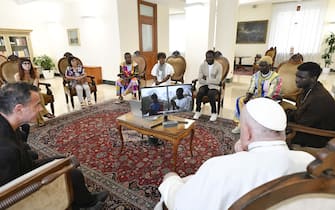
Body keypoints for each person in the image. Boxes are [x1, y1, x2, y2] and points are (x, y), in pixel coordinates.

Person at [155, 98, 314, 210]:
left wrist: (170, 181)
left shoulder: (219, 168)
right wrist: (242, 152)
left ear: (248, 133)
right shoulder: (309, 161)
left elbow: (183, 205)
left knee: (173, 183)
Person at [0, 82, 108, 210]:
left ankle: (85, 201)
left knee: (64, 161)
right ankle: (83, 204)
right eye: (37, 105)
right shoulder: (6, 151)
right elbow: (11, 195)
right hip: (21, 186)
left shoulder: (9, 121)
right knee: (72, 173)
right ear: (19, 109)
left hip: (23, 166)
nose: (41, 109)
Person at [287, 62, 335, 148]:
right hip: (307, 126)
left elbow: (302, 123)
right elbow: (301, 113)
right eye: (297, 76)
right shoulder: (310, 88)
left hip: (317, 136)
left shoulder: (319, 98)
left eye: (301, 77)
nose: (297, 79)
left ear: (313, 78)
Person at [232, 55, 282, 133]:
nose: (260, 68)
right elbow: (252, 87)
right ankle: (241, 125)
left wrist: (261, 101)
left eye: (263, 66)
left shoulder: (275, 77)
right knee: (241, 100)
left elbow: (271, 92)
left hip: (271, 99)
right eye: (260, 65)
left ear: (269, 66)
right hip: (257, 96)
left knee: (260, 106)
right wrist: (248, 97)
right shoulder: (256, 75)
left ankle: (258, 128)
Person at [14, 58, 55, 127]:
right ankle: (45, 113)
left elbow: (35, 85)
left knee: (36, 95)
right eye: (25, 64)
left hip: (33, 92)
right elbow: (21, 88)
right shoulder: (17, 76)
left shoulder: (35, 73)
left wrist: (33, 91)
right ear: (21, 65)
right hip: (22, 93)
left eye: (28, 63)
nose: (27, 65)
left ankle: (41, 119)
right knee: (35, 95)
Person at [193, 50, 223, 122]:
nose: (208, 59)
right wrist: (210, 80)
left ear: (214, 57)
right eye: (207, 57)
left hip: (214, 86)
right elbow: (200, 79)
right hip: (204, 84)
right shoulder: (202, 65)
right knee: (200, 93)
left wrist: (206, 78)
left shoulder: (218, 66)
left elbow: (218, 81)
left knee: (211, 94)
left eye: (210, 57)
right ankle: (198, 111)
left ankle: (214, 113)